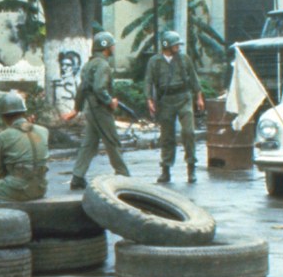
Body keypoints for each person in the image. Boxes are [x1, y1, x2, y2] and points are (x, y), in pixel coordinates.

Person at [62, 32, 131, 189]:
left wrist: (76, 109)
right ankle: (124, 175)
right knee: (112, 141)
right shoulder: (103, 65)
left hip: (90, 108)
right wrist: (110, 101)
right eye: (112, 45)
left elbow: (82, 88)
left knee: (89, 144)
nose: (114, 47)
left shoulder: (89, 64)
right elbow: (99, 88)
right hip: (100, 109)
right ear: (106, 47)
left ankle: (77, 177)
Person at [145, 30, 205, 183]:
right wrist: (149, 100)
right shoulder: (154, 61)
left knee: (189, 132)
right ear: (166, 45)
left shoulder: (184, 59)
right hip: (165, 101)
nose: (178, 47)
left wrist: (199, 97)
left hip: (184, 98)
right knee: (167, 136)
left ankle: (191, 168)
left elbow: (194, 78)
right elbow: (149, 81)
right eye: (175, 44)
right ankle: (166, 170)